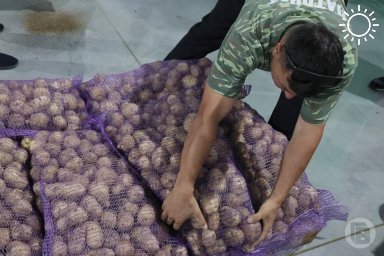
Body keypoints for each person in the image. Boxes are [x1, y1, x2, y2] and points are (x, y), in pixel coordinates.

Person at [161, 0, 357, 249]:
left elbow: (307, 131)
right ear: (276, 49)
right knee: (211, 30)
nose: (288, 95)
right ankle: (152, 86)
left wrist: (276, 199)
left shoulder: (342, 62)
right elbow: (207, 116)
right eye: (286, 86)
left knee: (285, 127)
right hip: (264, 14)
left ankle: (263, 187)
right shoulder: (250, 33)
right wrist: (184, 186)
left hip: (312, 24)